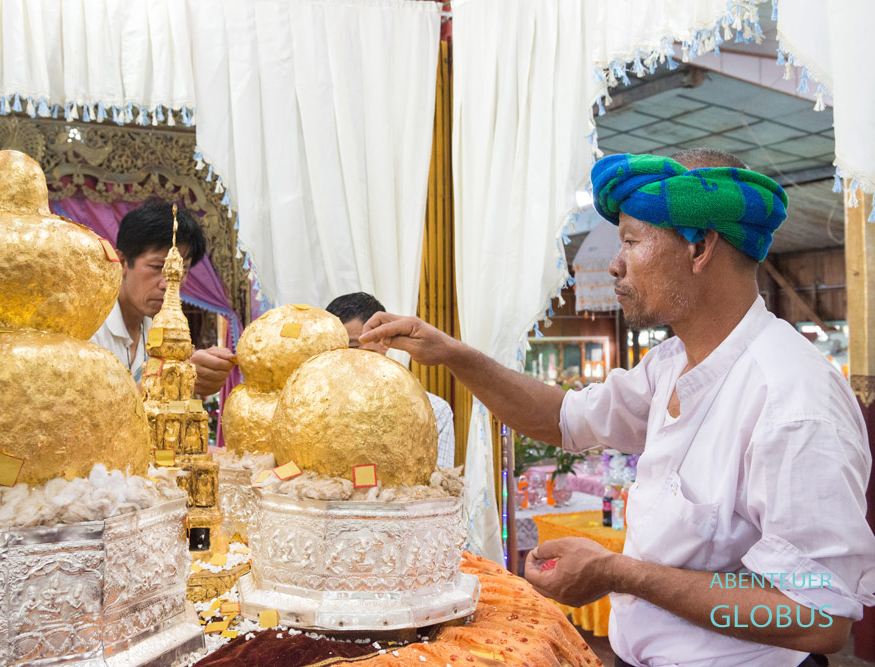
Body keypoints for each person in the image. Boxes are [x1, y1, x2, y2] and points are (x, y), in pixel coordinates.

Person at [360, 149, 875, 666]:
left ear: (698, 247)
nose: (614, 263)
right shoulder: (670, 363)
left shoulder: (793, 400)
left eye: (630, 240)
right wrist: (453, 355)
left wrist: (618, 572)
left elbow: (817, 617)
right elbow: (562, 418)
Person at [91, 200, 235, 395]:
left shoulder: (156, 329)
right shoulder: (89, 329)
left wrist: (203, 369)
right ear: (122, 262)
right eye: (157, 267)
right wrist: (169, 379)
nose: (168, 284)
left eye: (181, 271)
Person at [326, 292, 456, 469]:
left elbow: (437, 483)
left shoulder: (432, 411)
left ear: (383, 342)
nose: (341, 357)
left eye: (353, 347)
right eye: (333, 349)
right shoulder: (316, 407)